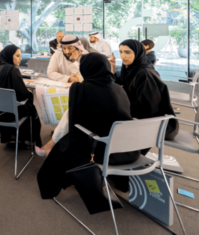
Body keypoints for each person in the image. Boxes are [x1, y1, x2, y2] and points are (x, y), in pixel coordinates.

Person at [36, 53, 140, 199]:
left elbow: (75, 122)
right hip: (128, 149)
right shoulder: (119, 88)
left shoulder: (80, 88)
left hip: (101, 150)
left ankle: (55, 186)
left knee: (61, 149)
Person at [0, 45, 42, 147]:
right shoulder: (12, 70)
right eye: (17, 56)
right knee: (29, 105)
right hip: (4, 114)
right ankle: (27, 140)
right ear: (9, 56)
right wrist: (29, 92)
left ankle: (10, 137)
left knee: (15, 102)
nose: (20, 58)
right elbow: (22, 95)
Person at [116, 40, 178, 140]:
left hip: (155, 125)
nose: (123, 56)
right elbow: (121, 83)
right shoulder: (133, 68)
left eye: (127, 52)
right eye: (121, 52)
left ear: (138, 53)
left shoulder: (144, 74)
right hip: (145, 119)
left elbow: (148, 109)